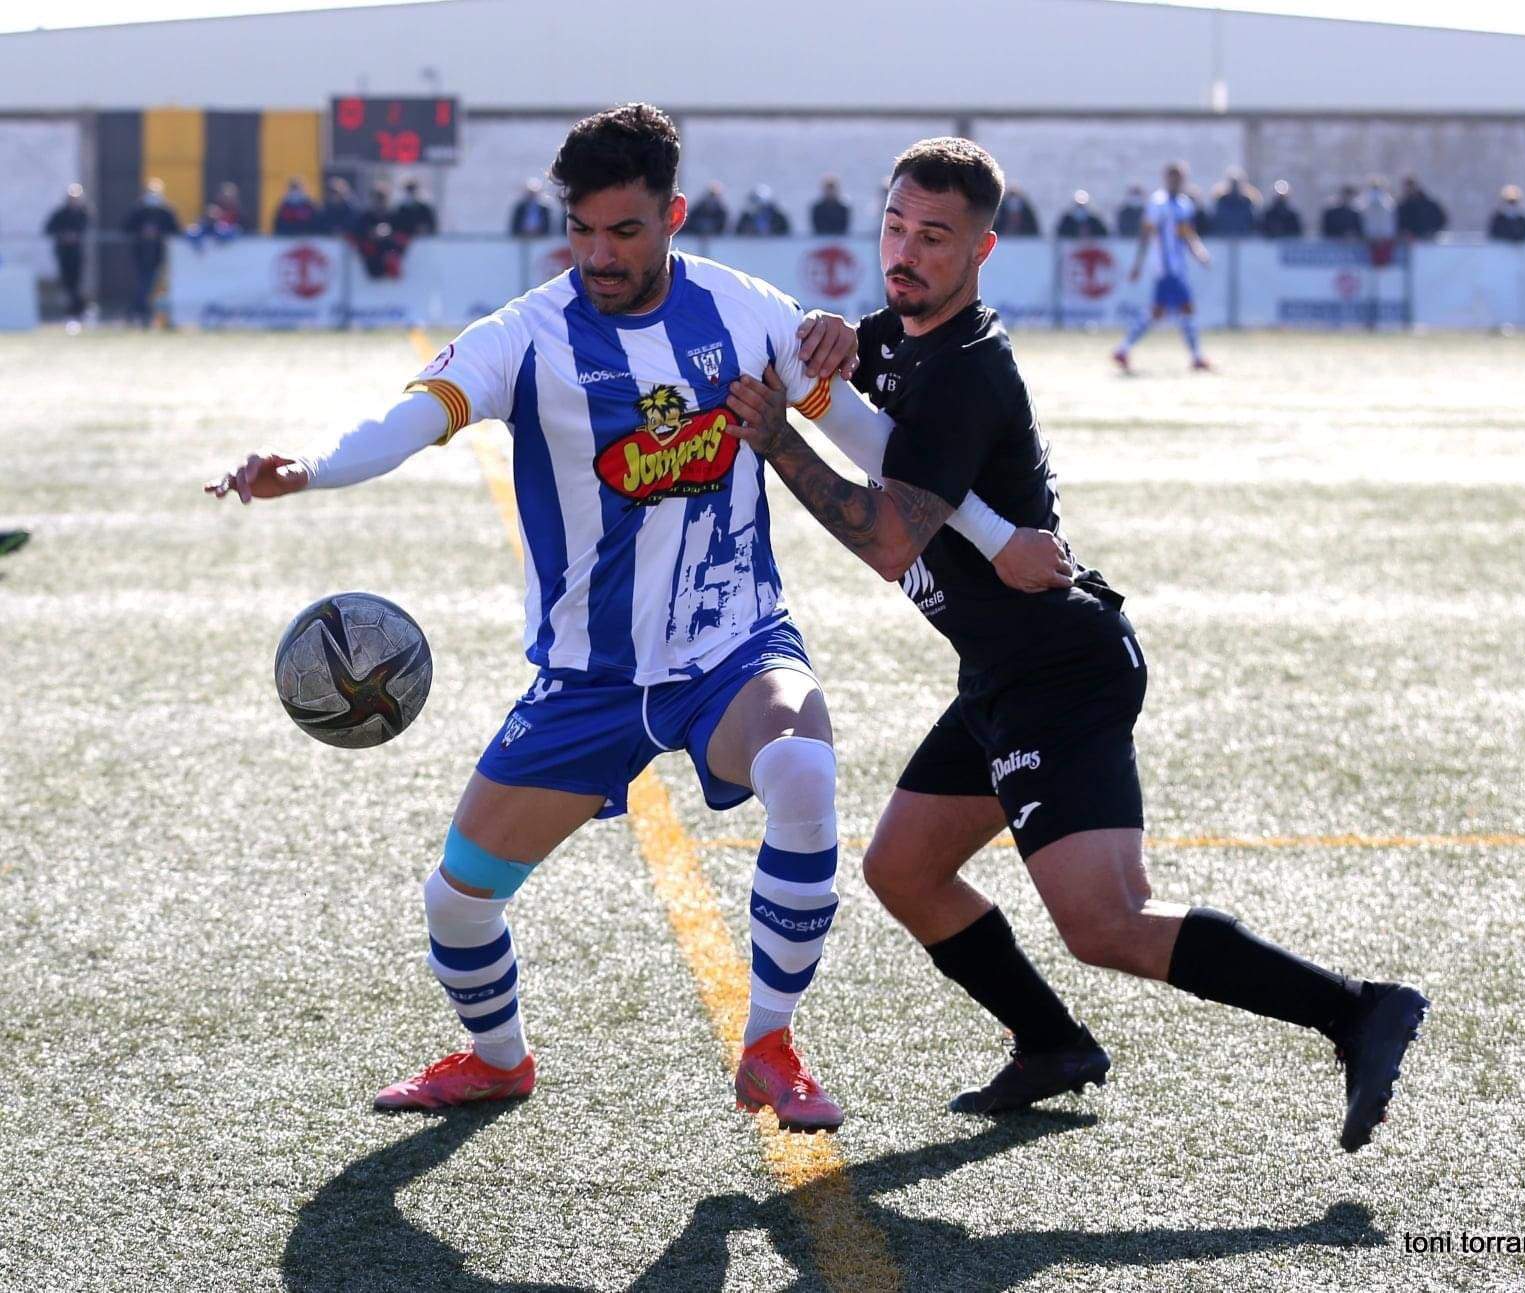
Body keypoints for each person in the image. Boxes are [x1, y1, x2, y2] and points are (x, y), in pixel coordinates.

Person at [204, 104, 1061, 1131]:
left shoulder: (746, 313)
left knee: (803, 767)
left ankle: (770, 1046)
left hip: (733, 645)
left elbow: (878, 447)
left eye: (625, 231)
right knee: (457, 902)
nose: (599, 255)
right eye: (581, 230)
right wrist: (309, 468)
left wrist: (996, 529)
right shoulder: (525, 335)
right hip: (590, 676)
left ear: (673, 217)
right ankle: (496, 1059)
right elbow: (411, 421)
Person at [724, 135, 1429, 1153]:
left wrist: (778, 438)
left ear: (983, 250)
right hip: (1000, 673)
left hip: (1063, 670)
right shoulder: (900, 339)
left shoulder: (967, 370)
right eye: (895, 228)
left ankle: (1357, 1010)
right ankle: (1052, 1045)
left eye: (936, 237)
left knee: (1108, 923)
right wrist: (826, 338)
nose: (907, 254)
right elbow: (835, 361)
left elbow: (886, 543)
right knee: (906, 871)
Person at [1113, 161, 1212, 373]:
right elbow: (1146, 235)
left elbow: (1188, 235)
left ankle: (1123, 349)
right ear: (1166, 178)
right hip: (1166, 269)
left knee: (1157, 313)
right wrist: (1138, 265)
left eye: (1180, 177)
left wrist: (1199, 252)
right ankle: (1196, 357)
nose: (1176, 181)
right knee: (1186, 308)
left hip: (1179, 267)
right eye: (1173, 177)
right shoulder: (1157, 203)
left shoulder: (1185, 204)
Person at [121, 178, 180, 327]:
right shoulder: (139, 209)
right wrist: (142, 231)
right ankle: (140, 310)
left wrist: (158, 233)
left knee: (150, 283)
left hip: (159, 252)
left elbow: (175, 229)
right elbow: (126, 227)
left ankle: (138, 310)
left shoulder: (166, 210)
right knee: (144, 281)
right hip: (140, 251)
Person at [43, 183, 91, 324]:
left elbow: (85, 227)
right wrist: (63, 235)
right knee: (67, 283)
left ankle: (78, 311)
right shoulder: (60, 213)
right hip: (63, 253)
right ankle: (73, 312)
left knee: (77, 283)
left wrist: (75, 236)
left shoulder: (83, 213)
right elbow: (49, 228)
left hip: (77, 253)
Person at [352, 183, 406, 278]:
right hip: (372, 259)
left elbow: (402, 233)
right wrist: (370, 233)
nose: (379, 201)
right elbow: (358, 232)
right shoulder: (366, 217)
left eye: (382, 198)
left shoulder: (394, 217)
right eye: (377, 198)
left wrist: (389, 235)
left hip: (390, 257)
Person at [1209, 167, 1261, 239]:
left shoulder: (1247, 202)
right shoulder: (1221, 201)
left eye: (1236, 183)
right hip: (1223, 239)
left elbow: (1253, 222)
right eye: (1233, 183)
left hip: (1244, 239)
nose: (1235, 187)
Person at [1396, 176, 1447, 240]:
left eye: (1411, 186)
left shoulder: (1428, 204)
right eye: (1407, 187)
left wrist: (1432, 231)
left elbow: (1442, 219)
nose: (1409, 189)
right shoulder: (1402, 207)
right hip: (1409, 242)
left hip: (1428, 241)